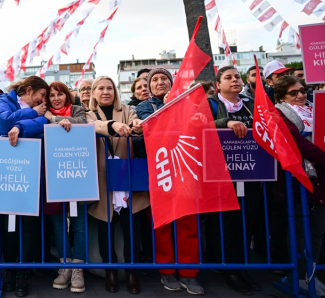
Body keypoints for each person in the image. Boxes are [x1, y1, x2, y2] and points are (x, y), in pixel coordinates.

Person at [136, 68, 204, 295]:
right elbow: (151, 126)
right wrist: (169, 106)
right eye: (154, 79)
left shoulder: (187, 103)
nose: (159, 82)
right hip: (160, 169)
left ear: (172, 82)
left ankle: (189, 273)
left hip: (185, 167)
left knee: (188, 223)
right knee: (162, 223)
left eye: (164, 78)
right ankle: (166, 270)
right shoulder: (144, 106)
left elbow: (197, 124)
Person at [205, 67, 262, 294]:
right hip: (219, 175)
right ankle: (228, 269)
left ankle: (241, 266)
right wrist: (225, 123)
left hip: (250, 171)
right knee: (226, 223)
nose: (235, 80)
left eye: (237, 76)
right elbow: (200, 126)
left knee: (246, 221)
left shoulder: (251, 103)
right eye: (228, 77)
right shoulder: (210, 104)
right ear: (218, 84)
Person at [86, 76, 145, 294]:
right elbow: (94, 126)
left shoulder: (128, 110)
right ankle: (110, 270)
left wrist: (137, 126)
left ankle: (132, 271)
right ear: (93, 93)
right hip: (102, 179)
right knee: (105, 226)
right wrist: (113, 126)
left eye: (110, 88)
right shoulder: (87, 113)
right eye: (100, 88)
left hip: (127, 175)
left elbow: (137, 122)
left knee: (132, 226)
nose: (106, 92)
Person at [0, 76, 49, 297]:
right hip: (6, 168)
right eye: (41, 95)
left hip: (30, 166)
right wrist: (30, 114)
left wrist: (20, 126)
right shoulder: (4, 100)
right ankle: (9, 271)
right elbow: (2, 123)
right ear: (28, 90)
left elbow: (45, 123)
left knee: (28, 223)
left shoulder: (39, 111)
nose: (43, 102)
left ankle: (22, 273)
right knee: (9, 223)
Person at [274, 76, 325, 295]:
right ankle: (300, 277)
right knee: (300, 230)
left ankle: (311, 275)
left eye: (303, 90)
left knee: (317, 229)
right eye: (293, 92)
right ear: (281, 96)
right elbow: (297, 142)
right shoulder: (279, 113)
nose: (300, 95)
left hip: (321, 179)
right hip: (299, 178)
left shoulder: (316, 109)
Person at [42, 82, 88, 293]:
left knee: (78, 224)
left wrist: (56, 120)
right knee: (58, 223)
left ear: (67, 95)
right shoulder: (42, 113)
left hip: (76, 172)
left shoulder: (78, 109)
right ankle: (65, 266)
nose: (56, 98)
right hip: (52, 175)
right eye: (52, 95)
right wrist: (54, 119)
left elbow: (81, 122)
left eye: (60, 94)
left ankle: (77, 268)